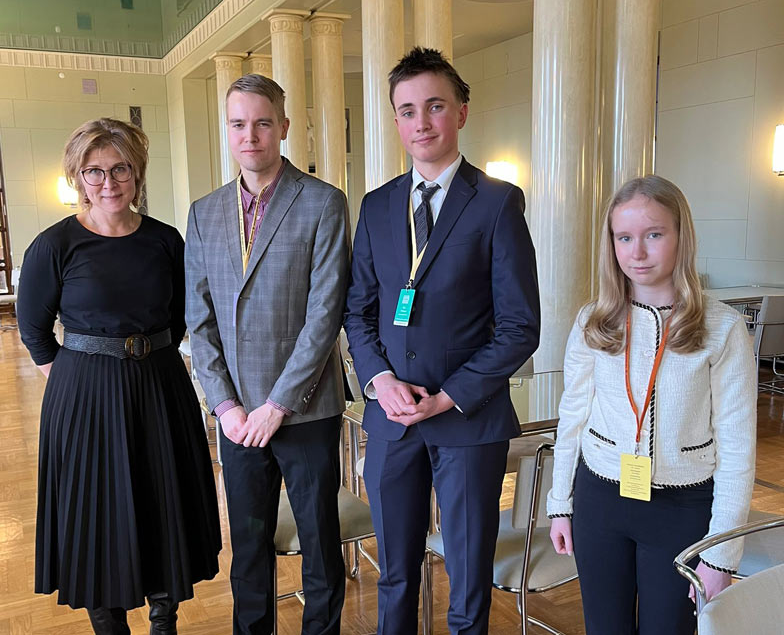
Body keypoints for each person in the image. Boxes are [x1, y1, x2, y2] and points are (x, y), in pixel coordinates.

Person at [344, 47, 540, 635]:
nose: (421, 122)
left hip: (467, 421)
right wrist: (380, 381)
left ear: (461, 112)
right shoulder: (377, 205)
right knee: (395, 574)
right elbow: (358, 311)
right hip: (391, 419)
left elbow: (520, 326)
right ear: (395, 120)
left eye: (434, 106)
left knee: (468, 576)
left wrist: (448, 396)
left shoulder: (497, 202)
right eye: (407, 111)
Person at [16, 118, 221, 634]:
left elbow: (179, 318)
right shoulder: (54, 245)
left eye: (120, 168)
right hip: (84, 394)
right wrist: (77, 382)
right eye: (94, 171)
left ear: (138, 172)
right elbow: (35, 332)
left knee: (164, 502)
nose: (108, 182)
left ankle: (164, 621)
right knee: (95, 513)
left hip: (160, 387)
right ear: (77, 177)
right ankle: (110, 627)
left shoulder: (165, 240)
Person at [547, 175, 757, 634]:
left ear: (682, 236)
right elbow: (572, 418)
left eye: (654, 235)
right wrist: (560, 503)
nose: (637, 253)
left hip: (682, 509)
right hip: (600, 500)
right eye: (624, 237)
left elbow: (738, 447)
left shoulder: (723, 328)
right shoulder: (592, 321)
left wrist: (722, 553)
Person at [185, 74, 350, 635]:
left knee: (320, 544)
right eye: (238, 124)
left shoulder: (323, 202)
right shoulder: (204, 213)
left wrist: (278, 403)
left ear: (283, 127)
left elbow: (325, 315)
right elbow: (200, 319)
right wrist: (225, 406)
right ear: (227, 130)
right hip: (236, 419)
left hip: (305, 411)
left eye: (261, 122)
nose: (249, 135)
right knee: (250, 546)